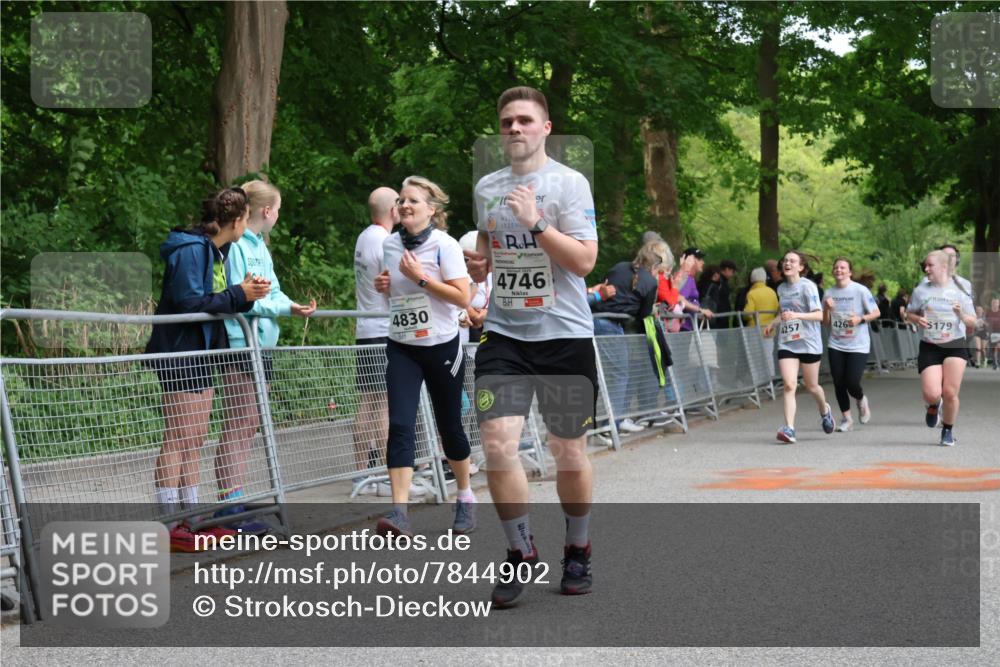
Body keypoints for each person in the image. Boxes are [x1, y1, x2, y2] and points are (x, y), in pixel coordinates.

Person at [465, 86, 598, 606]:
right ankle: (521, 550)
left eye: (524, 120)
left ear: (545, 128)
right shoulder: (487, 187)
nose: (515, 129)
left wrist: (537, 224)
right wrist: (481, 263)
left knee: (568, 452)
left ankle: (578, 547)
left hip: (564, 336)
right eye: (506, 123)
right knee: (498, 446)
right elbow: (486, 244)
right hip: (504, 335)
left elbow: (584, 262)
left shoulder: (570, 184)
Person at [145, 187, 271, 551]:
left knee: (197, 435)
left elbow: (212, 298)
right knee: (179, 436)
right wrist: (238, 295)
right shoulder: (190, 250)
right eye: (246, 218)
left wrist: (243, 293)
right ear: (237, 221)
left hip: (202, 351)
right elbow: (188, 301)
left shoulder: (217, 250)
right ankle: (169, 523)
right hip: (179, 351)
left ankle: (193, 518)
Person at [373, 176, 475, 535]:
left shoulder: (444, 245)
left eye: (413, 200)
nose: (404, 205)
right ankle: (400, 512)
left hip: (442, 346)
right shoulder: (388, 244)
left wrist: (420, 279)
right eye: (401, 200)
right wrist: (385, 288)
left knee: (450, 427)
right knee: (400, 424)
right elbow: (397, 299)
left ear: (432, 209)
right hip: (402, 346)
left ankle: (464, 496)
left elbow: (463, 297)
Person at [218, 180, 316, 534]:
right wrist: (284, 308)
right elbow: (245, 296)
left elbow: (271, 290)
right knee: (238, 422)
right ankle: (229, 503)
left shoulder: (260, 246)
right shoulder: (236, 247)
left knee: (249, 423)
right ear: (266, 211)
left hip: (264, 345)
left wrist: (291, 305)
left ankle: (236, 498)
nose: (279, 215)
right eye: (279, 208)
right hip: (241, 343)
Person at [352, 187, 404, 495]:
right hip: (383, 329)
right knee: (384, 404)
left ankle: (360, 473)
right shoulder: (385, 242)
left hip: (365, 328)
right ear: (393, 210)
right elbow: (395, 287)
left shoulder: (363, 237)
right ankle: (385, 474)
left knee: (368, 402)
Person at [590, 240, 667, 433]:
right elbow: (645, 313)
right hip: (610, 326)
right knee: (619, 375)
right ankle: (610, 425)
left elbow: (605, 284)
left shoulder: (619, 267)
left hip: (593, 319)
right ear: (654, 267)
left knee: (603, 374)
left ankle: (604, 422)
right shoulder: (650, 282)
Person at [905, 250, 976, 446]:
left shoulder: (961, 289)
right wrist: (918, 319)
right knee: (931, 393)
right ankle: (934, 405)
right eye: (925, 265)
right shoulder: (921, 290)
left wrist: (961, 314)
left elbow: (973, 320)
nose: (926, 269)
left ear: (944, 267)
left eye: (930, 265)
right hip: (930, 346)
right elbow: (909, 314)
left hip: (954, 344)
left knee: (950, 392)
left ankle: (947, 430)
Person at [763, 250, 834, 444]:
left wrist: (797, 316)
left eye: (792, 261)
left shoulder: (808, 287)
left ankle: (825, 410)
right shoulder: (781, 288)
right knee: (789, 385)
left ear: (801, 267)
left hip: (809, 342)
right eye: (785, 260)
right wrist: (774, 323)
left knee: (812, 386)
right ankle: (790, 429)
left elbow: (820, 316)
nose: (787, 264)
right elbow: (784, 312)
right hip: (788, 341)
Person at [822, 257, 880, 432]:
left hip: (858, 344)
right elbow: (826, 323)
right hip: (836, 343)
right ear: (833, 271)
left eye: (842, 267)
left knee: (852, 382)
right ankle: (847, 418)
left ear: (850, 272)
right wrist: (826, 309)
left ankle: (861, 400)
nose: (839, 270)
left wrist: (860, 319)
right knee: (839, 382)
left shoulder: (860, 290)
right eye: (836, 267)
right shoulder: (828, 293)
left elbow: (876, 312)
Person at [743, 267, 779, 359]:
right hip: (769, 329)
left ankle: (758, 374)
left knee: (756, 359)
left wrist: (743, 315)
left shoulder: (751, 293)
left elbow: (748, 314)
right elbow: (777, 310)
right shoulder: (772, 292)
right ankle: (770, 374)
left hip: (754, 330)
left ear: (752, 279)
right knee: (768, 357)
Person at [678, 247, 713, 331]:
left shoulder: (690, 278)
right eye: (699, 259)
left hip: (688, 326)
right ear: (691, 260)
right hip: (682, 328)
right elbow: (679, 299)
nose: (703, 262)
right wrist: (701, 310)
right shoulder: (686, 278)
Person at [715, 259, 737, 328]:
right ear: (727, 269)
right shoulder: (720, 282)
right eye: (732, 271)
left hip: (722, 316)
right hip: (719, 318)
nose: (733, 274)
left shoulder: (722, 281)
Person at [986, 297, 1000, 370]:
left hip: (999, 332)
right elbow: (985, 322)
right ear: (991, 303)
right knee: (992, 349)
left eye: (996, 302)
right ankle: (995, 363)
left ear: (998, 304)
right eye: (993, 302)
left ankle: (997, 362)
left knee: (998, 346)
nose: (994, 304)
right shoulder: (988, 312)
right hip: (991, 333)